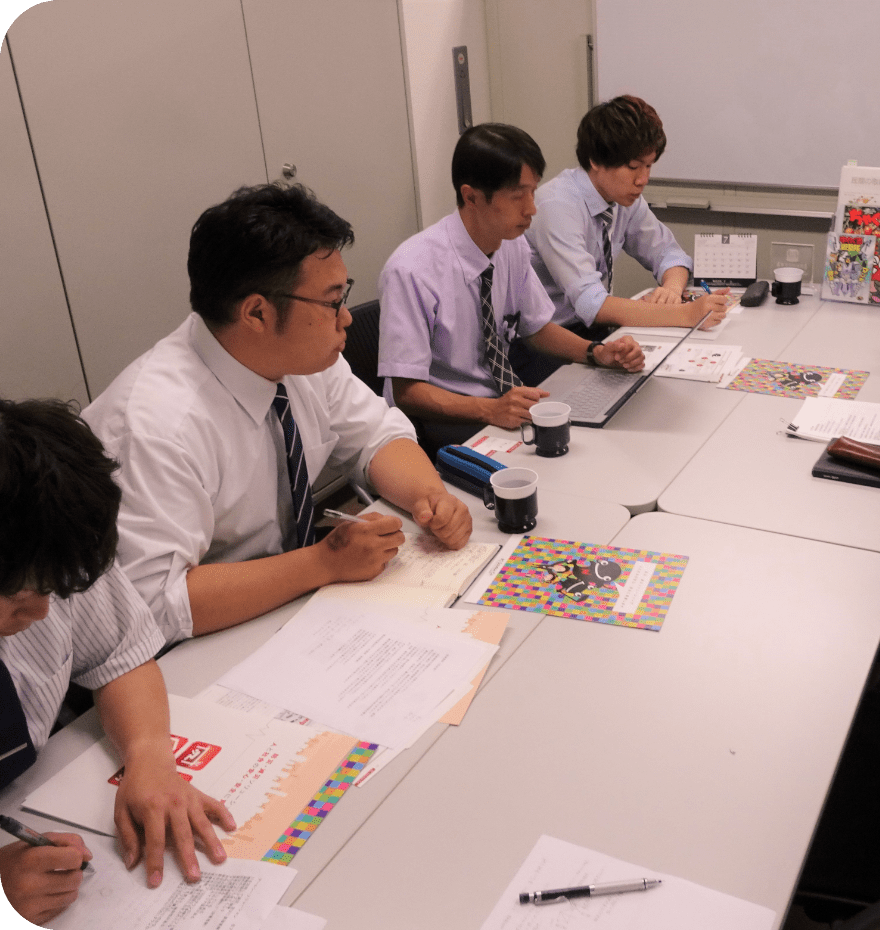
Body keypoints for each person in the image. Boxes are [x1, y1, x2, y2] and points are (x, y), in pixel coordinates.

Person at [84, 184, 472, 647]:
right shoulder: (158, 425)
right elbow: (155, 603)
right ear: (257, 313)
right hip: (197, 642)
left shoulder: (300, 359)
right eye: (332, 301)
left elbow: (377, 435)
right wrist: (322, 563)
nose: (346, 317)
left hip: (289, 600)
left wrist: (431, 498)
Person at [0, 398, 235, 925]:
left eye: (53, 592)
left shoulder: (48, 543)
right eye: (17, 598)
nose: (41, 613)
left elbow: (119, 653)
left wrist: (149, 754)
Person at [378, 123, 645, 456]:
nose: (531, 208)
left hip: (500, 400)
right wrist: (489, 410)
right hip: (443, 417)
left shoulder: (511, 244)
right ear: (471, 196)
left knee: (596, 438)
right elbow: (405, 392)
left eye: (533, 191)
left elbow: (536, 328)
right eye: (518, 196)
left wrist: (596, 353)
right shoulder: (412, 269)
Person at [526, 95, 730, 342]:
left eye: (649, 166)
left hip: (594, 330)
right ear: (595, 160)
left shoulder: (622, 198)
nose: (643, 179)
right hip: (547, 339)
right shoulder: (557, 206)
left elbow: (670, 254)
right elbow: (591, 303)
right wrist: (686, 314)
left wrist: (672, 289)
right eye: (633, 167)